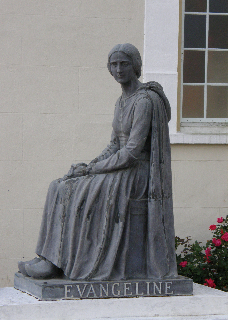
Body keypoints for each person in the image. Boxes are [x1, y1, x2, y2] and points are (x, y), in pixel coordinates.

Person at [18, 43, 177, 280]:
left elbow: (132, 151)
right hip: (121, 167)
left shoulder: (144, 100)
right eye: (114, 65)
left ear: (135, 66)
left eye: (124, 63)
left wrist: (93, 170)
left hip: (138, 174)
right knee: (59, 185)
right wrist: (86, 167)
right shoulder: (121, 102)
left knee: (78, 191)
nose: (119, 69)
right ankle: (49, 258)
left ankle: (62, 263)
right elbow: (114, 145)